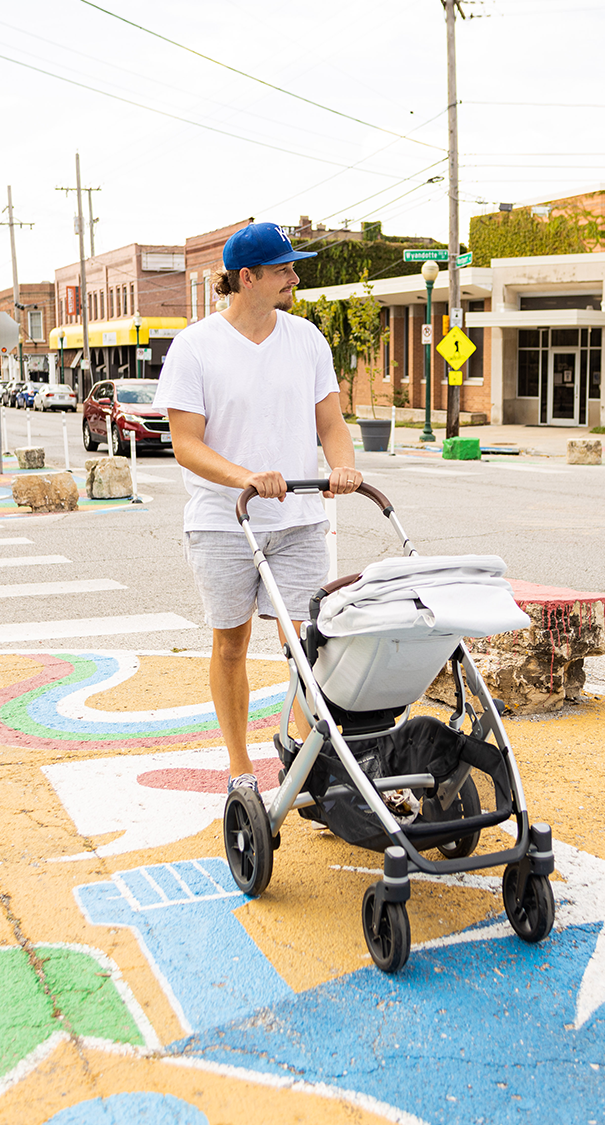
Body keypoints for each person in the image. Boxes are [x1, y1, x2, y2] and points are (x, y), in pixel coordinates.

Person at [159, 223, 364, 794]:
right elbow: (187, 444)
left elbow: (331, 423)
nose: (294, 278)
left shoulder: (306, 340)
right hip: (224, 522)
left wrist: (342, 465)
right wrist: (246, 478)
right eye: (282, 270)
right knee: (231, 643)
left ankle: (311, 771)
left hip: (298, 521)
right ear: (247, 278)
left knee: (305, 648)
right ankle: (241, 769)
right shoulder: (196, 346)